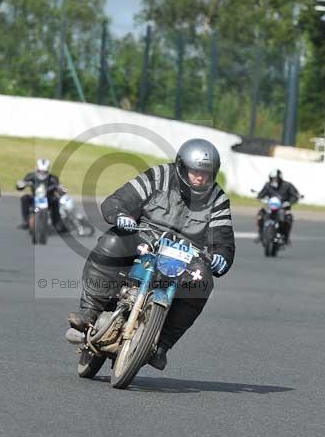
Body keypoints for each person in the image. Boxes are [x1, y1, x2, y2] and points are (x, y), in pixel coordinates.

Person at [66, 139, 235, 371]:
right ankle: (90, 311)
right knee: (112, 241)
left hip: (186, 255)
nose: (200, 178)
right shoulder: (159, 176)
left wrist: (221, 257)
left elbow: (223, 239)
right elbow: (118, 200)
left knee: (202, 280)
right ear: (182, 167)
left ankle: (162, 345)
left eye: (206, 173)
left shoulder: (218, 198)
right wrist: (120, 214)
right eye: (195, 171)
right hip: (144, 238)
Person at [15, 158, 66, 233]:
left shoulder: (53, 178)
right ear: (37, 169)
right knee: (24, 198)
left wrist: (60, 189)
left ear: (47, 170)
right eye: (40, 171)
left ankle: (57, 223)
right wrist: (21, 184)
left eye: (44, 171)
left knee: (55, 200)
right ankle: (25, 221)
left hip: (48, 198)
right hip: (35, 197)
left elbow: (60, 188)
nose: (42, 173)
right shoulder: (31, 176)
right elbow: (21, 185)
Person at [255, 169, 300, 244]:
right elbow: (261, 194)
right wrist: (260, 198)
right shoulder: (268, 185)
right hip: (270, 207)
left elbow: (295, 196)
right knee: (260, 215)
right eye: (272, 179)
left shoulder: (287, 185)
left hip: (283, 208)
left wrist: (289, 202)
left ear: (280, 178)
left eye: (276, 179)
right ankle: (260, 234)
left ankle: (285, 236)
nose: (274, 180)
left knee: (288, 218)